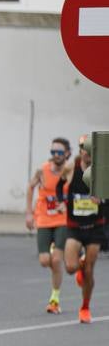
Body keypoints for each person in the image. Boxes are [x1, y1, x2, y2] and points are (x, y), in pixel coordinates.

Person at [61, 137, 105, 324]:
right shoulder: (71, 168)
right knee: (71, 268)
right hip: (75, 226)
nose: (85, 152)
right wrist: (61, 202)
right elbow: (58, 187)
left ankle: (85, 307)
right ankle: (79, 267)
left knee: (90, 269)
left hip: (95, 227)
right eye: (82, 148)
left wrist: (102, 200)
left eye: (88, 148)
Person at [26, 137, 72, 313]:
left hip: (62, 220)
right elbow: (30, 187)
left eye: (59, 152)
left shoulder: (71, 171)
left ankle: (55, 298)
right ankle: (58, 269)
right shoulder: (42, 170)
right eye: (53, 152)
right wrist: (29, 213)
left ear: (67, 153)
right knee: (45, 260)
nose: (56, 155)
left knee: (57, 259)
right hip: (44, 218)